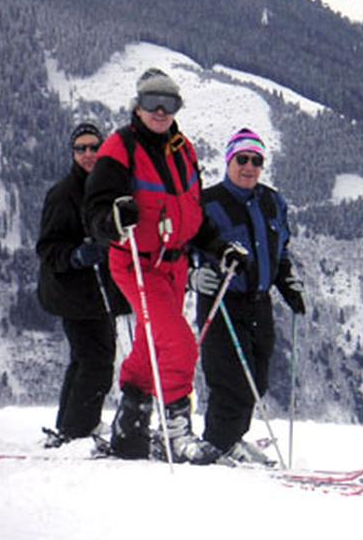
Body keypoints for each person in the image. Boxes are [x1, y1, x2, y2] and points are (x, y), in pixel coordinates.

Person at [84, 68, 248, 464]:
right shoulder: (119, 149)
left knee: (151, 345)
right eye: (151, 103)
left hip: (173, 267)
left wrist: (217, 247)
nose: (160, 111)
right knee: (179, 344)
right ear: (137, 106)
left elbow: (191, 212)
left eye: (169, 103)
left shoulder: (183, 149)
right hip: (136, 263)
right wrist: (113, 219)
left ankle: (129, 429)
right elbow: (95, 211)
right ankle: (178, 434)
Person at [187, 128, 305, 464]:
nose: (249, 166)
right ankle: (215, 445)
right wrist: (194, 277)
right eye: (242, 159)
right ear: (229, 161)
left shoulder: (272, 202)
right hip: (222, 302)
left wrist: (289, 286)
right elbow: (180, 250)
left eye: (256, 160)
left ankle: (231, 439)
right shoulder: (208, 203)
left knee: (257, 379)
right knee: (230, 381)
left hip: (259, 302)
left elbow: (279, 253)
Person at [36, 122, 131, 447]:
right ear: (73, 153)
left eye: (95, 147)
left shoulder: (106, 189)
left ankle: (71, 424)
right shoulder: (63, 195)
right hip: (75, 293)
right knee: (96, 361)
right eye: (82, 148)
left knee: (85, 358)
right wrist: (76, 256)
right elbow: (47, 248)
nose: (89, 154)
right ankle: (78, 429)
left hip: (98, 292)